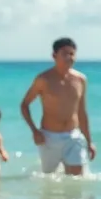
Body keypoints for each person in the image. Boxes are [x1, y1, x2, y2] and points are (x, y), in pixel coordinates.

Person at [20, 37, 96, 176]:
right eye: (65, 54)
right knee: (50, 179)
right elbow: (24, 105)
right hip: (49, 136)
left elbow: (81, 112)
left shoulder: (80, 80)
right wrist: (35, 131)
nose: (69, 57)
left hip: (73, 136)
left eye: (72, 54)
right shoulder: (43, 79)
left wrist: (89, 141)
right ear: (54, 56)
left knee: (76, 179)